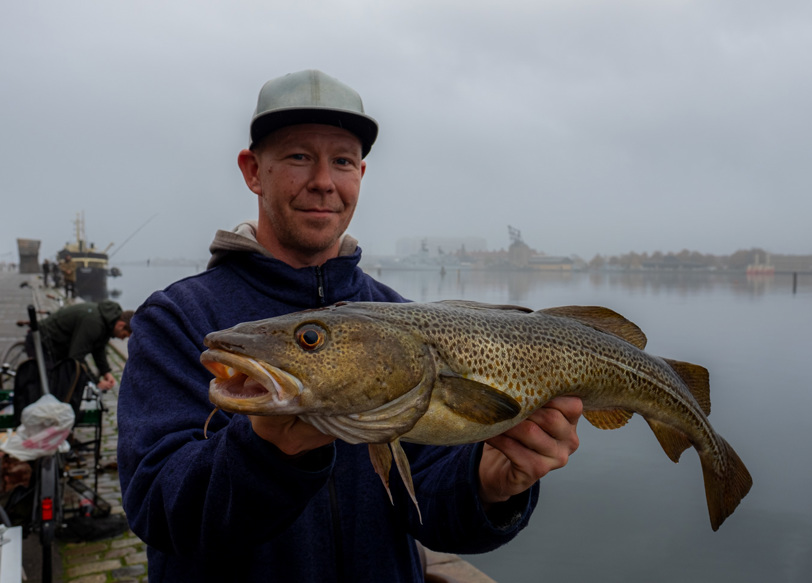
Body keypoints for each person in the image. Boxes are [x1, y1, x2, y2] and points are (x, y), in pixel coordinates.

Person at [117, 70, 583, 582]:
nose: (323, 181)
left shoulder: (401, 319)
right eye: (298, 156)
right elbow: (158, 510)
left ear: (360, 173)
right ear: (253, 171)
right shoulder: (178, 319)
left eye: (341, 161)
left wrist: (489, 485)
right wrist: (268, 452)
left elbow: (424, 504)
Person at [25, 299, 133, 390]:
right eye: (124, 335)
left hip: (59, 346)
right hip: (43, 342)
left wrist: (106, 372)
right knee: (49, 384)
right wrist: (96, 382)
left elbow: (98, 350)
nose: (122, 339)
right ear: (121, 325)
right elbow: (76, 357)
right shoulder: (94, 324)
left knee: (63, 382)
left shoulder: (106, 324)